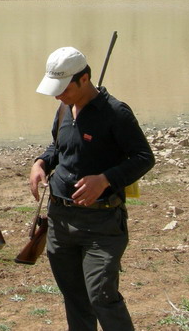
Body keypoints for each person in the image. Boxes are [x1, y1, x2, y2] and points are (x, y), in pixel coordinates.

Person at [29, 46, 155, 331]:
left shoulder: (116, 113)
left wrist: (105, 179)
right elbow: (59, 147)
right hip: (61, 222)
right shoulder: (64, 108)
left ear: (84, 79)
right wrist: (40, 162)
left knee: (102, 296)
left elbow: (144, 158)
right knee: (75, 298)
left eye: (64, 88)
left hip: (102, 224)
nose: (58, 95)